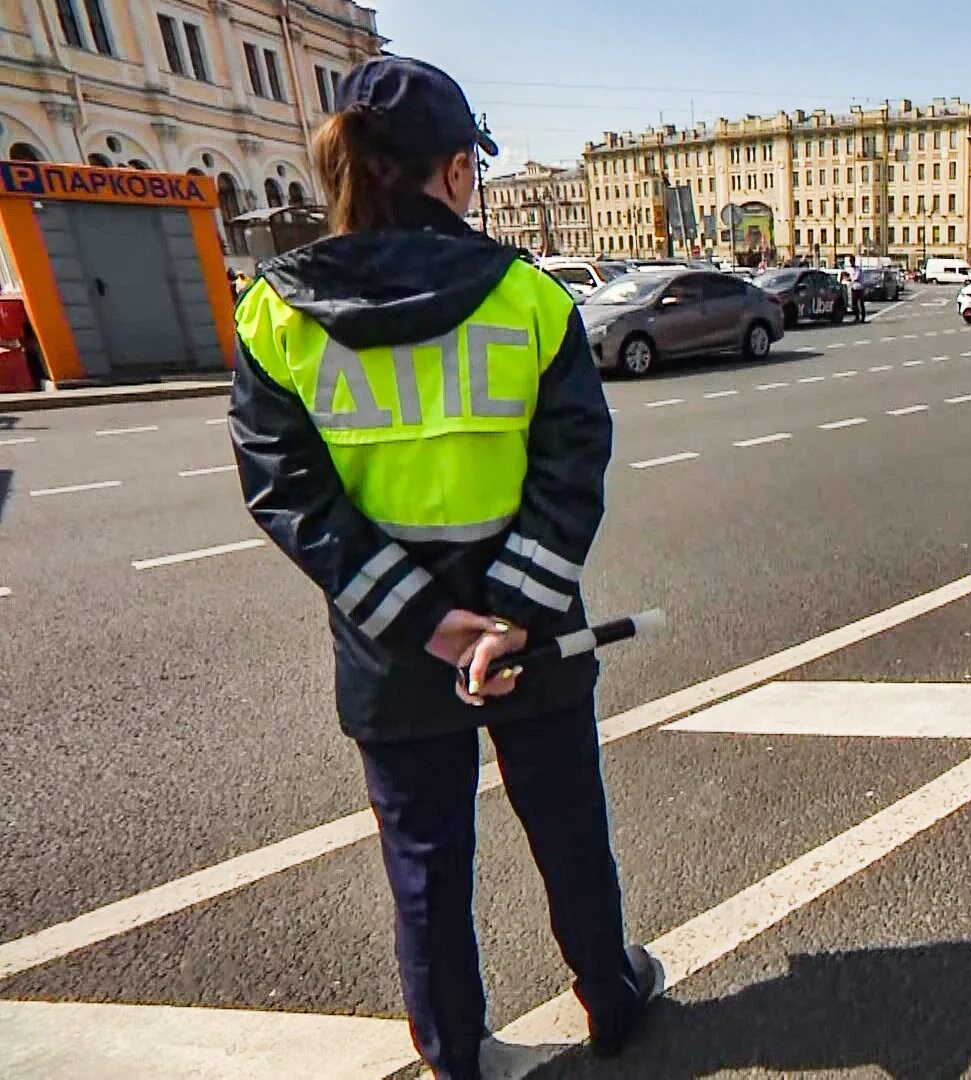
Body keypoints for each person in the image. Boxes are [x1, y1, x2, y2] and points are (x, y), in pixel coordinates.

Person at [227, 56, 660, 1080]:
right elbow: (572, 466)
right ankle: (611, 998)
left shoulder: (273, 312)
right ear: (459, 170)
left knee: (423, 865)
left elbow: (287, 493)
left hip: (391, 643)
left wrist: (425, 622)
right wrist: (508, 615)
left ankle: (458, 1053)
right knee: (568, 828)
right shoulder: (528, 297)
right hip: (533, 630)